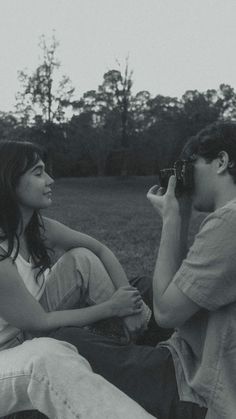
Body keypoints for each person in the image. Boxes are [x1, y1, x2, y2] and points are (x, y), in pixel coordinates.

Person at [52, 121, 236, 419]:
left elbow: (166, 312)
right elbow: (186, 286)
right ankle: (129, 339)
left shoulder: (229, 222)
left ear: (222, 161)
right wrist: (184, 214)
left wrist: (171, 219)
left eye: (190, 165)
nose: (184, 175)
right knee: (138, 287)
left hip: (202, 389)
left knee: (68, 342)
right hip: (203, 347)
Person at [0, 140, 153, 418]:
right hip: (6, 355)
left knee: (82, 258)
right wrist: (112, 307)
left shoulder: (37, 228)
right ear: (10, 181)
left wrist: (129, 304)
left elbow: (99, 249)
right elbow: (39, 322)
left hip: (26, 329)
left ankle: (129, 344)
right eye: (38, 173)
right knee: (48, 355)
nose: (50, 180)